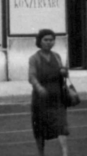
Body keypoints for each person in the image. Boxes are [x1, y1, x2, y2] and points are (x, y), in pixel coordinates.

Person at [28, 27, 71, 156]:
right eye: (46, 40)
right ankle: (41, 153)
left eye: (52, 40)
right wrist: (39, 87)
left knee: (61, 126)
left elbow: (64, 74)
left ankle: (65, 153)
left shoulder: (57, 57)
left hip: (57, 97)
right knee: (40, 128)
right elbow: (31, 76)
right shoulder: (34, 58)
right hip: (41, 99)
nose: (49, 42)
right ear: (39, 41)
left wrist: (64, 72)